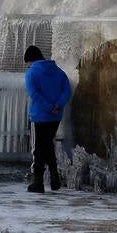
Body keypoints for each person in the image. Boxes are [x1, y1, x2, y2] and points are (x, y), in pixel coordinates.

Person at [23, 44, 72, 193]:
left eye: (28, 64)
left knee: (39, 148)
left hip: (40, 116)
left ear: (30, 60)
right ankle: (54, 176)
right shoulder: (59, 72)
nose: (28, 67)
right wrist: (58, 105)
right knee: (47, 145)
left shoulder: (31, 73)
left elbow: (34, 94)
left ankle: (38, 182)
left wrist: (49, 107)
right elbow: (67, 90)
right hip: (55, 117)